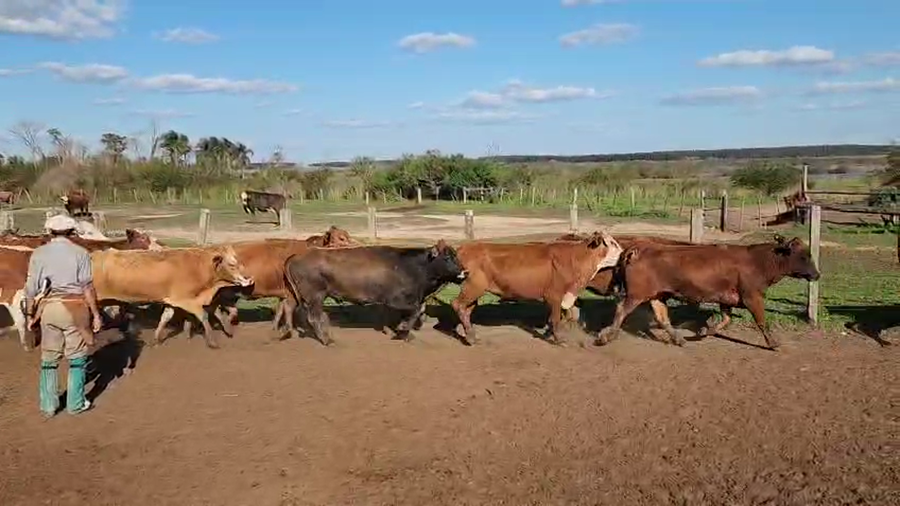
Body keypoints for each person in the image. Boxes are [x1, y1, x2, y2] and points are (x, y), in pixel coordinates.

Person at [24, 214, 103, 418]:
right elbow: (87, 287)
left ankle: (49, 406)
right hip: (75, 309)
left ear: (50, 231)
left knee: (49, 359)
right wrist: (95, 314)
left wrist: (30, 315)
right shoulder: (81, 253)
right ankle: (75, 404)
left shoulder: (39, 253)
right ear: (72, 232)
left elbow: (31, 288)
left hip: (49, 308)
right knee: (77, 358)